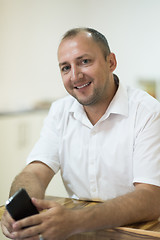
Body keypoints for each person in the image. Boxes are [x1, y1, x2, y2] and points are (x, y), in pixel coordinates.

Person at [1, 27, 160, 240]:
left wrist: (77, 220)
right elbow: (35, 172)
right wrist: (20, 209)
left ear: (111, 62)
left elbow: (151, 198)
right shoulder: (60, 111)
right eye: (65, 68)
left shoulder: (147, 112)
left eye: (84, 61)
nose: (75, 75)